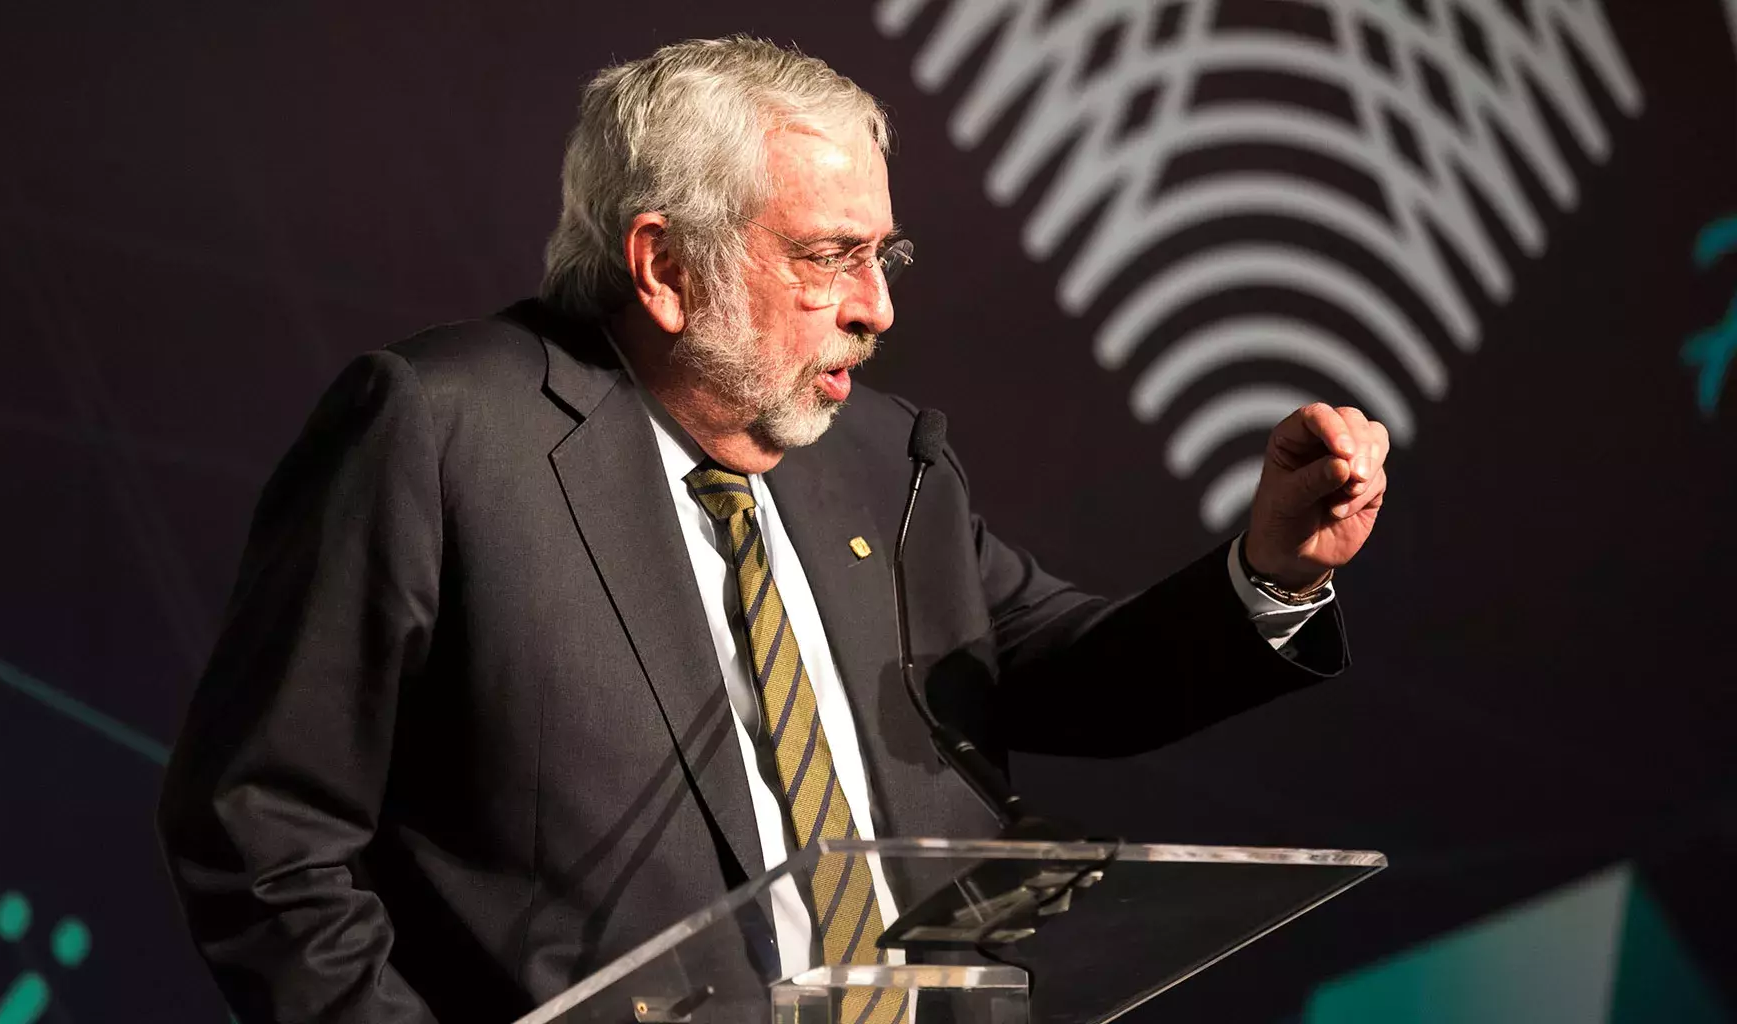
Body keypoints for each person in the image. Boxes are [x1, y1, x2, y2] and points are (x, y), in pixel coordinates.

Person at [156, 35, 1390, 1024]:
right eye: (830, 255)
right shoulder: (444, 430)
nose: (878, 307)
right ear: (665, 266)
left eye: (885, 252)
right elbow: (264, 831)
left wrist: (1272, 571)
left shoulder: (876, 453)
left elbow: (1053, 675)